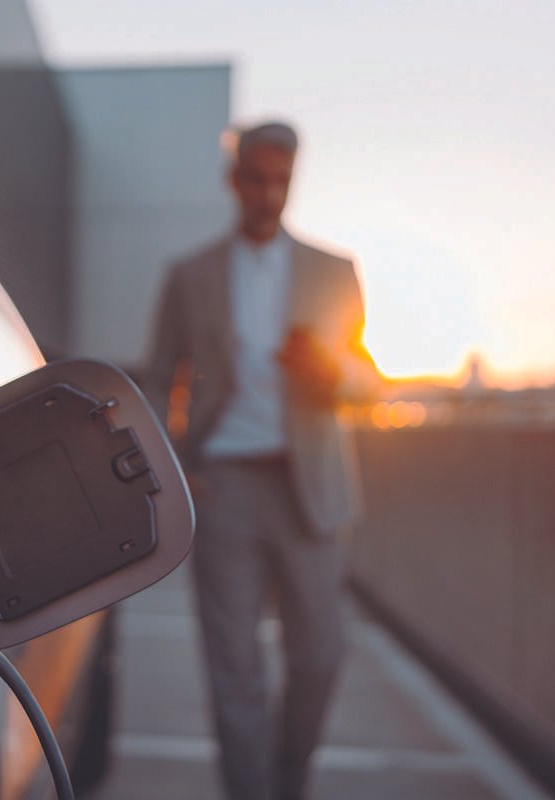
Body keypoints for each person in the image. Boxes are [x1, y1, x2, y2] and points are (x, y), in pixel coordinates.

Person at [144, 121, 381, 800]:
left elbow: (369, 381)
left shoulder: (333, 272)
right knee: (234, 670)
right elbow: (160, 378)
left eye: (282, 179)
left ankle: (289, 781)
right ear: (235, 178)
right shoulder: (189, 275)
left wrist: (329, 371)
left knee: (321, 656)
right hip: (223, 486)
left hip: (313, 488)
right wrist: (175, 470)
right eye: (258, 178)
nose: (270, 192)